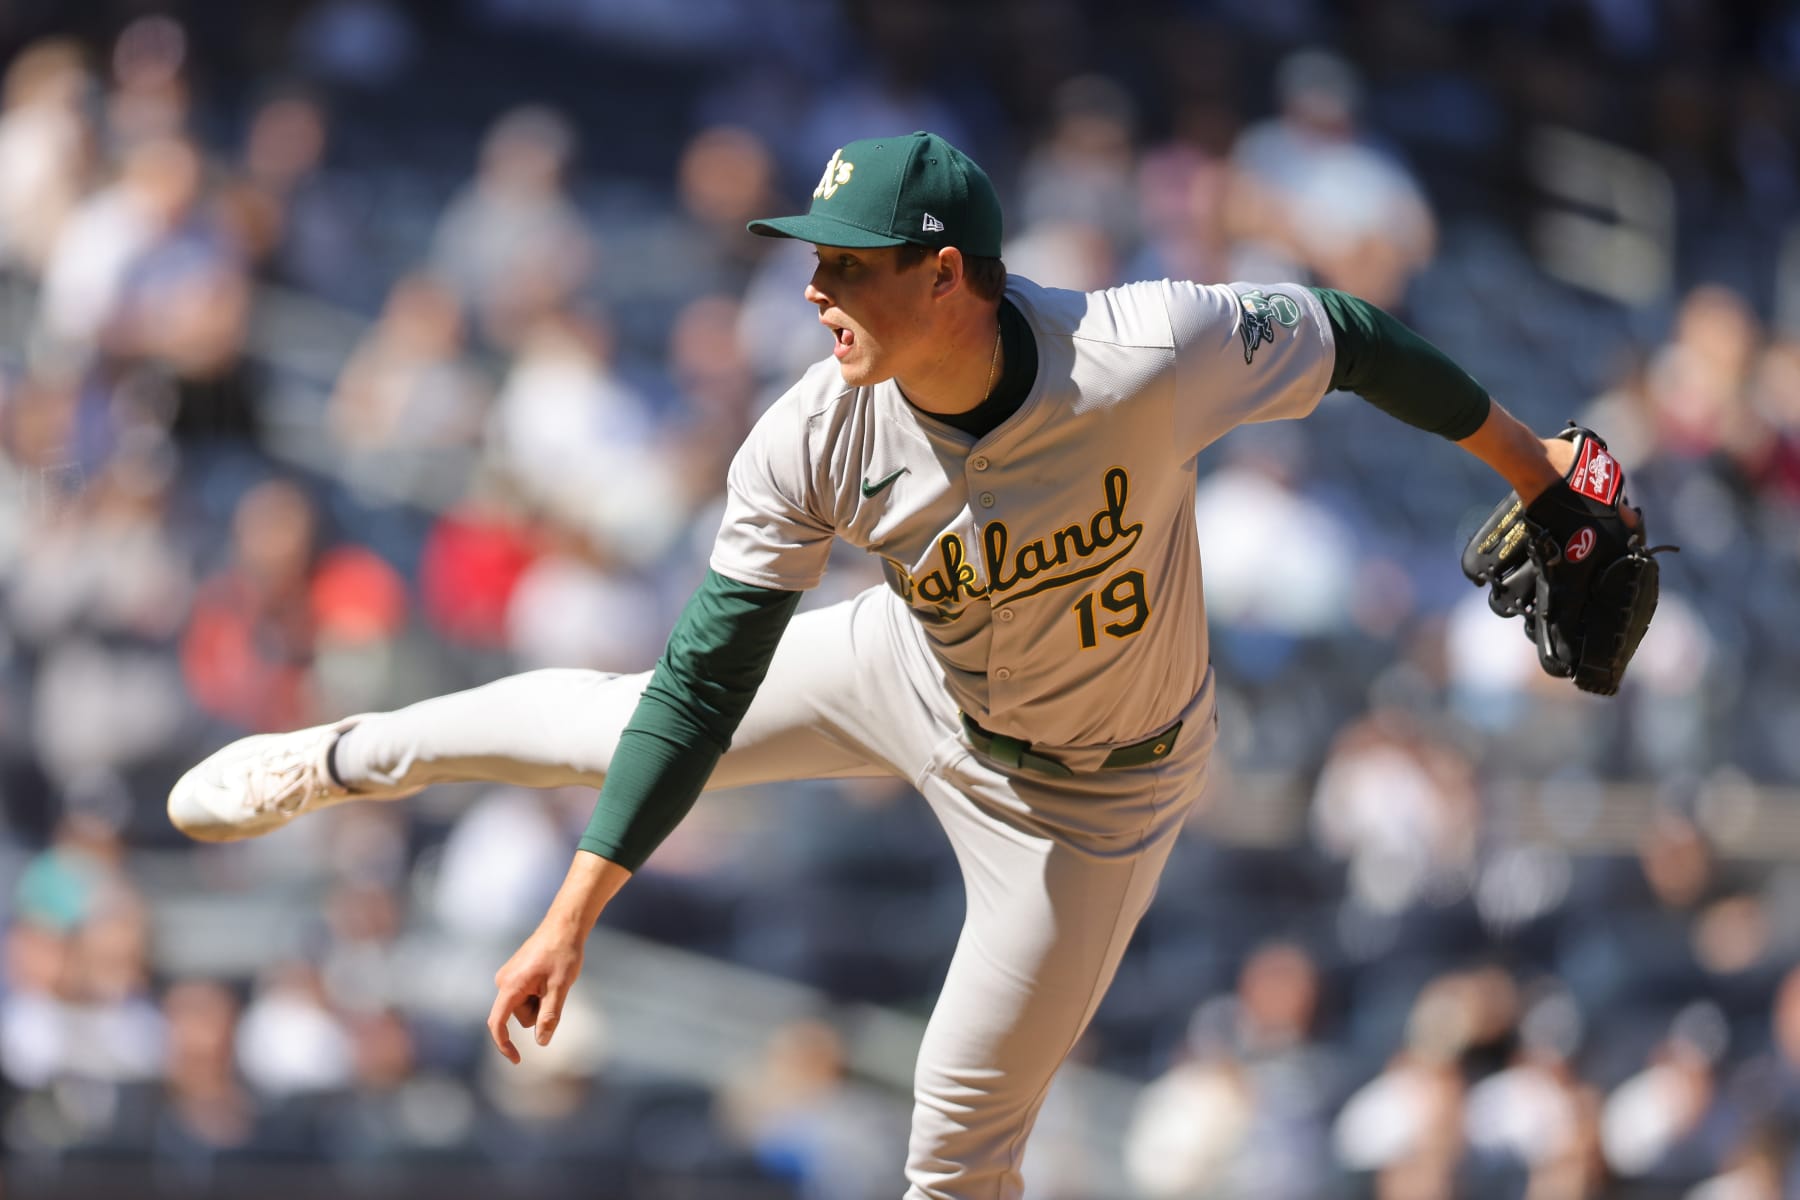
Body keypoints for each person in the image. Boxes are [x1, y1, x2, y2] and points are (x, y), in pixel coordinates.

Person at [170, 131, 1602, 1200]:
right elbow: (700, 686)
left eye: (848, 264)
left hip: (1089, 800)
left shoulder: (1141, 350)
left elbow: (1348, 336)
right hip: (918, 670)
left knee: (954, 1155)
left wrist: (1536, 470)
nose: (814, 288)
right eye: (813, 259)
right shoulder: (813, 434)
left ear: (947, 274)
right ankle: (338, 756)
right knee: (619, 721)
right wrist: (574, 910)